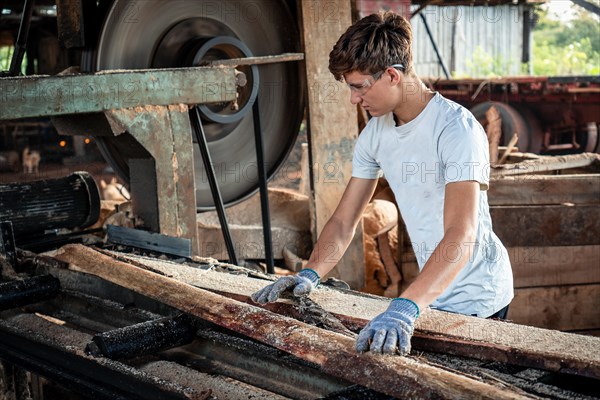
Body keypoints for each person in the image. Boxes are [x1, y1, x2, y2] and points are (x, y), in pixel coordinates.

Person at [251, 10, 513, 356]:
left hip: (478, 295)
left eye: (359, 87)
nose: (353, 99)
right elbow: (345, 221)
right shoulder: (375, 134)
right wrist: (311, 274)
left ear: (392, 75)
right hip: (429, 294)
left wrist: (406, 306)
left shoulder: (456, 130)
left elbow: (460, 234)